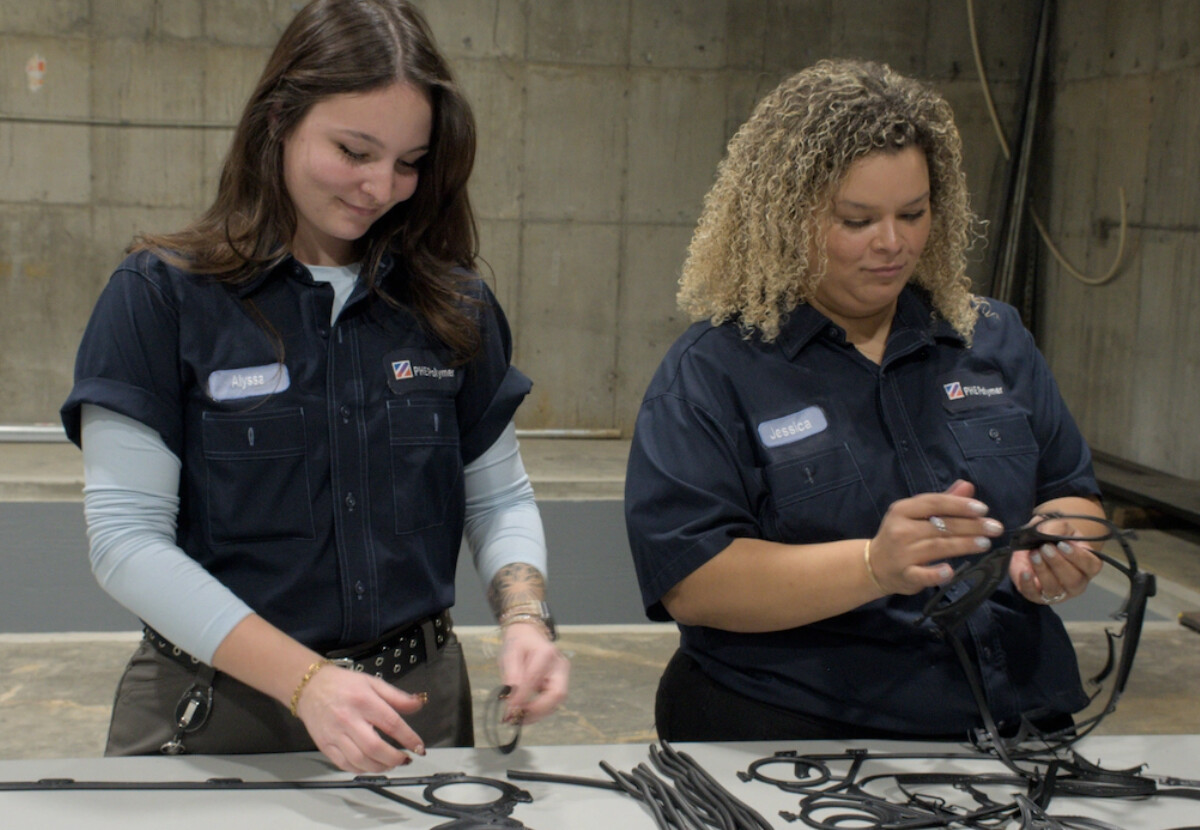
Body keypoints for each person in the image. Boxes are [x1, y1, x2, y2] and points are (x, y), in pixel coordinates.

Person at [60, 0, 568, 772]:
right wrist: (306, 683)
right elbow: (126, 544)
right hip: (219, 710)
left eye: (409, 162)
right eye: (353, 150)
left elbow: (497, 498)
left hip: (415, 707)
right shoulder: (160, 296)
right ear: (278, 121)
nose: (382, 187)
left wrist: (526, 619)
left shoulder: (453, 305)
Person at [624, 59, 1106, 742]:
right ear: (785, 217)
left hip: (1013, 723)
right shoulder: (714, 372)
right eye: (857, 220)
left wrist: (1063, 544)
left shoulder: (992, 340)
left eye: (913, 213)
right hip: (804, 731)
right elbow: (693, 580)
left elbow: (1070, 491)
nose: (893, 243)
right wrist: (870, 567)